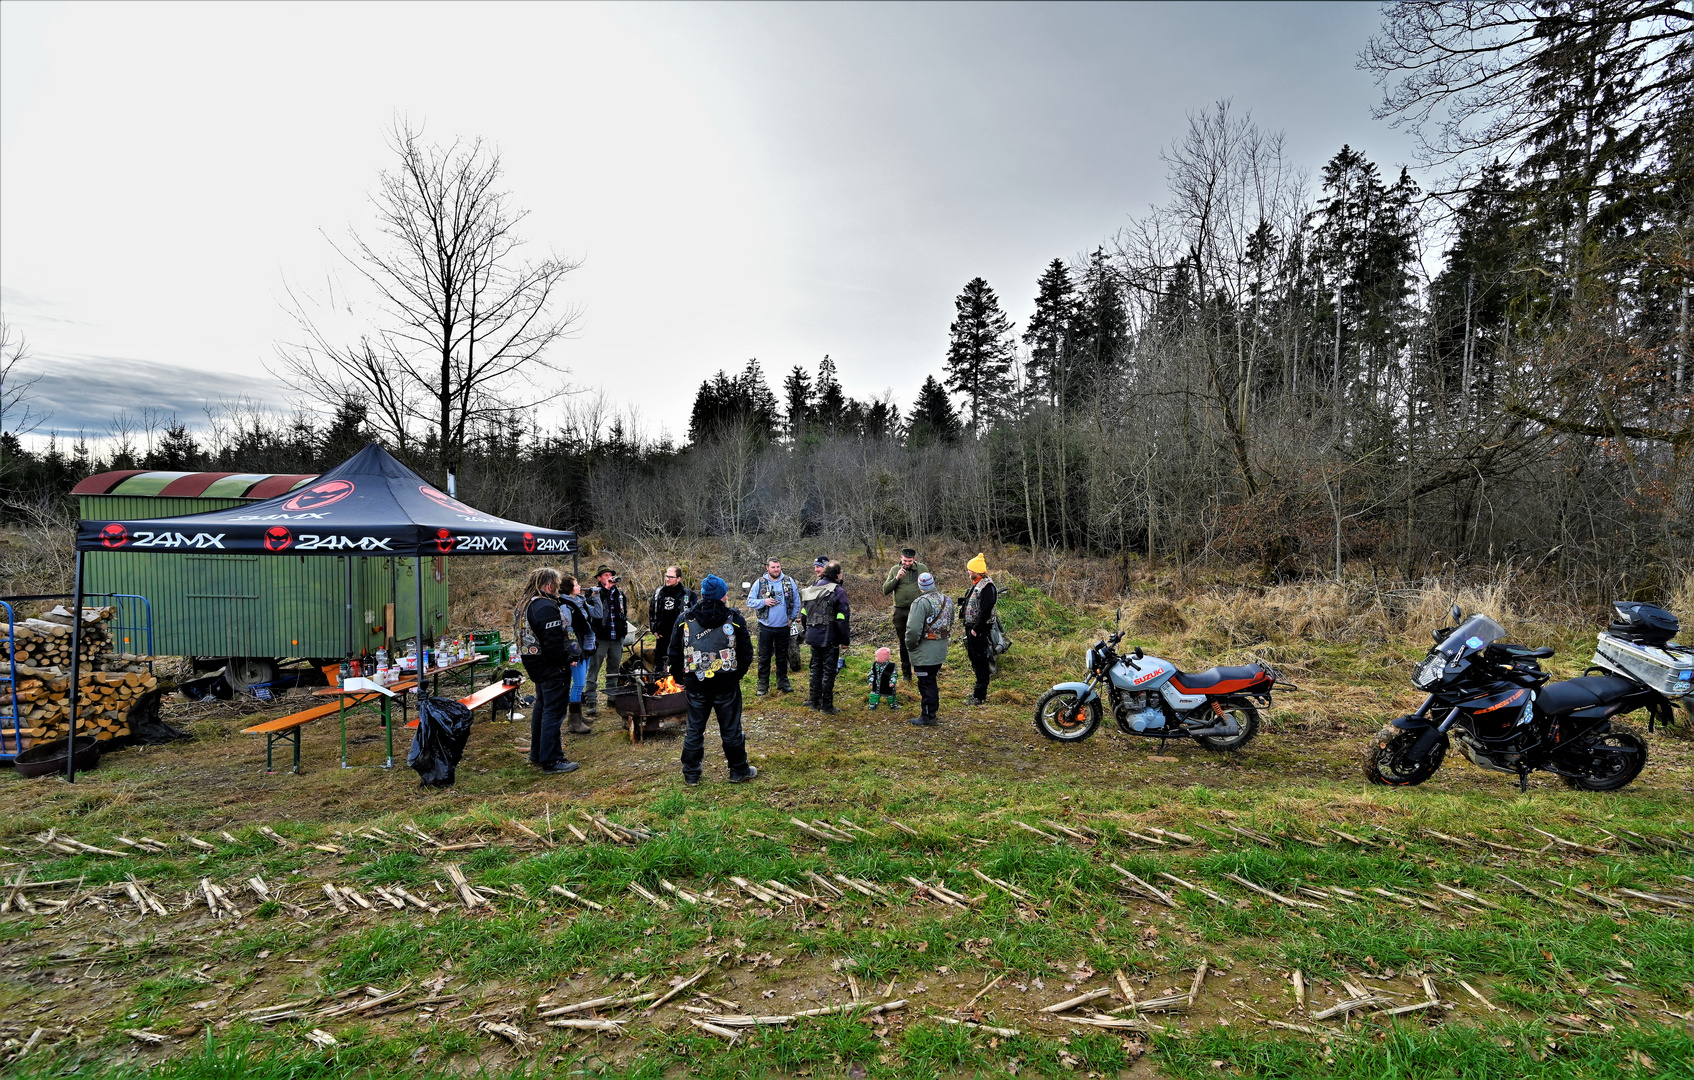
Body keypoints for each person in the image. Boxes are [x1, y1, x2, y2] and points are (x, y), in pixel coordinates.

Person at [668, 574, 757, 786]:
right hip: (726, 683)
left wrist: (679, 677)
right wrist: (736, 675)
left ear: (703, 595)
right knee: (731, 728)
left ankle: (691, 775)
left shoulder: (685, 618)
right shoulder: (734, 618)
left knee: (694, 729)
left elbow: (673, 652)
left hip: (696, 684)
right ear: (723, 595)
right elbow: (746, 653)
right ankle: (738, 770)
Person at [512, 567, 582, 773]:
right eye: (558, 585)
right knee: (554, 711)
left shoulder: (526, 604)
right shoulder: (544, 607)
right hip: (551, 667)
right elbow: (553, 643)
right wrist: (565, 659)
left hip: (536, 665)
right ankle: (551, 759)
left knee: (542, 707)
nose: (559, 589)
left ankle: (538, 753)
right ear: (550, 585)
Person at [903, 572, 953, 726]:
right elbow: (950, 623)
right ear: (933, 583)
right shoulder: (947, 600)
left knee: (926, 683)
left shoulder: (921, 603)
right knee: (930, 681)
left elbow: (912, 631)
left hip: (924, 652)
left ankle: (928, 716)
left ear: (920, 586)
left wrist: (909, 646)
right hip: (940, 650)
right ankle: (931, 712)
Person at [801, 559, 851, 713]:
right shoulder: (838, 591)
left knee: (815, 668)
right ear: (837, 574)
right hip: (829, 638)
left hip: (812, 635)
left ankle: (814, 702)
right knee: (829, 671)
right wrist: (845, 640)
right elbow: (842, 619)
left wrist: (808, 630)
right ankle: (827, 706)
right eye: (840, 572)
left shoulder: (812, 588)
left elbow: (803, 615)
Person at [745, 557, 799, 696]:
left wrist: (792, 618)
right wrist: (764, 602)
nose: (776, 569)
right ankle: (763, 684)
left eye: (778, 567)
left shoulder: (788, 581)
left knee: (782, 656)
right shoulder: (760, 583)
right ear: (767, 568)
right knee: (764, 657)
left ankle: (783, 682)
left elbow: (796, 600)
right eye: (773, 567)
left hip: (784, 626)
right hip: (766, 626)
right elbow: (750, 601)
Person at [584, 565, 628, 717]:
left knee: (614, 670)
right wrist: (605, 590)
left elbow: (624, 614)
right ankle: (591, 701)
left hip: (616, 637)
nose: (609, 577)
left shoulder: (620, 594)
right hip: (600, 638)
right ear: (599, 578)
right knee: (594, 670)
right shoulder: (594, 592)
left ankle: (612, 698)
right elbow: (590, 606)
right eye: (605, 575)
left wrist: (623, 633)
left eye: (610, 574)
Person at [882, 547, 929, 681]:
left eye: (909, 561)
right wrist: (897, 578)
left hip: (918, 610)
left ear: (914, 559)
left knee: (920, 640)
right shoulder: (894, 570)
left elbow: (929, 588)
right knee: (903, 642)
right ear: (900, 558)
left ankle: (922, 671)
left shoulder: (922, 568)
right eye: (904, 560)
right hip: (900, 611)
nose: (906, 563)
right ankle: (906, 674)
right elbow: (885, 590)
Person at [559, 576, 596, 734]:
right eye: (576, 584)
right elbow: (567, 631)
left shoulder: (579, 601)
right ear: (569, 588)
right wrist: (573, 654)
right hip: (576, 648)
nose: (580, 586)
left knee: (581, 682)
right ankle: (574, 721)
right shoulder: (565, 605)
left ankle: (578, 714)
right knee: (579, 683)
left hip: (585, 645)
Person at [960, 553, 998, 705]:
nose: (968, 572)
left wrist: (976, 628)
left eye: (969, 569)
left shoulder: (987, 587)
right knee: (975, 659)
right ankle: (978, 691)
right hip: (973, 628)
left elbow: (986, 610)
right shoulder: (978, 584)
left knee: (981, 660)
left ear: (976, 571)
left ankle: (980, 695)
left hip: (978, 630)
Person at [649, 566, 696, 677]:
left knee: (679, 660)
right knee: (660, 661)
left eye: (671, 577)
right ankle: (660, 684)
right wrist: (654, 628)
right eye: (666, 576)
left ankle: (679, 684)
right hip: (662, 634)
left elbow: (694, 614)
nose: (667, 579)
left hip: (680, 634)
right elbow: (652, 610)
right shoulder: (659, 592)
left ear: (678, 578)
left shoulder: (688, 594)